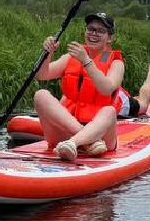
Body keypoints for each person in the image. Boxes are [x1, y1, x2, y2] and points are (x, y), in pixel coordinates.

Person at [33, 11, 125, 160]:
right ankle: (86, 142)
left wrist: (86, 61)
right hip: (70, 136)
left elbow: (106, 89)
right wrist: (47, 52)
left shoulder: (116, 63)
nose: (93, 33)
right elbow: (42, 75)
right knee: (40, 95)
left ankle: (76, 142)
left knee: (109, 111)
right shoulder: (72, 56)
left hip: (102, 137)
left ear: (110, 38)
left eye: (100, 31)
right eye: (90, 29)